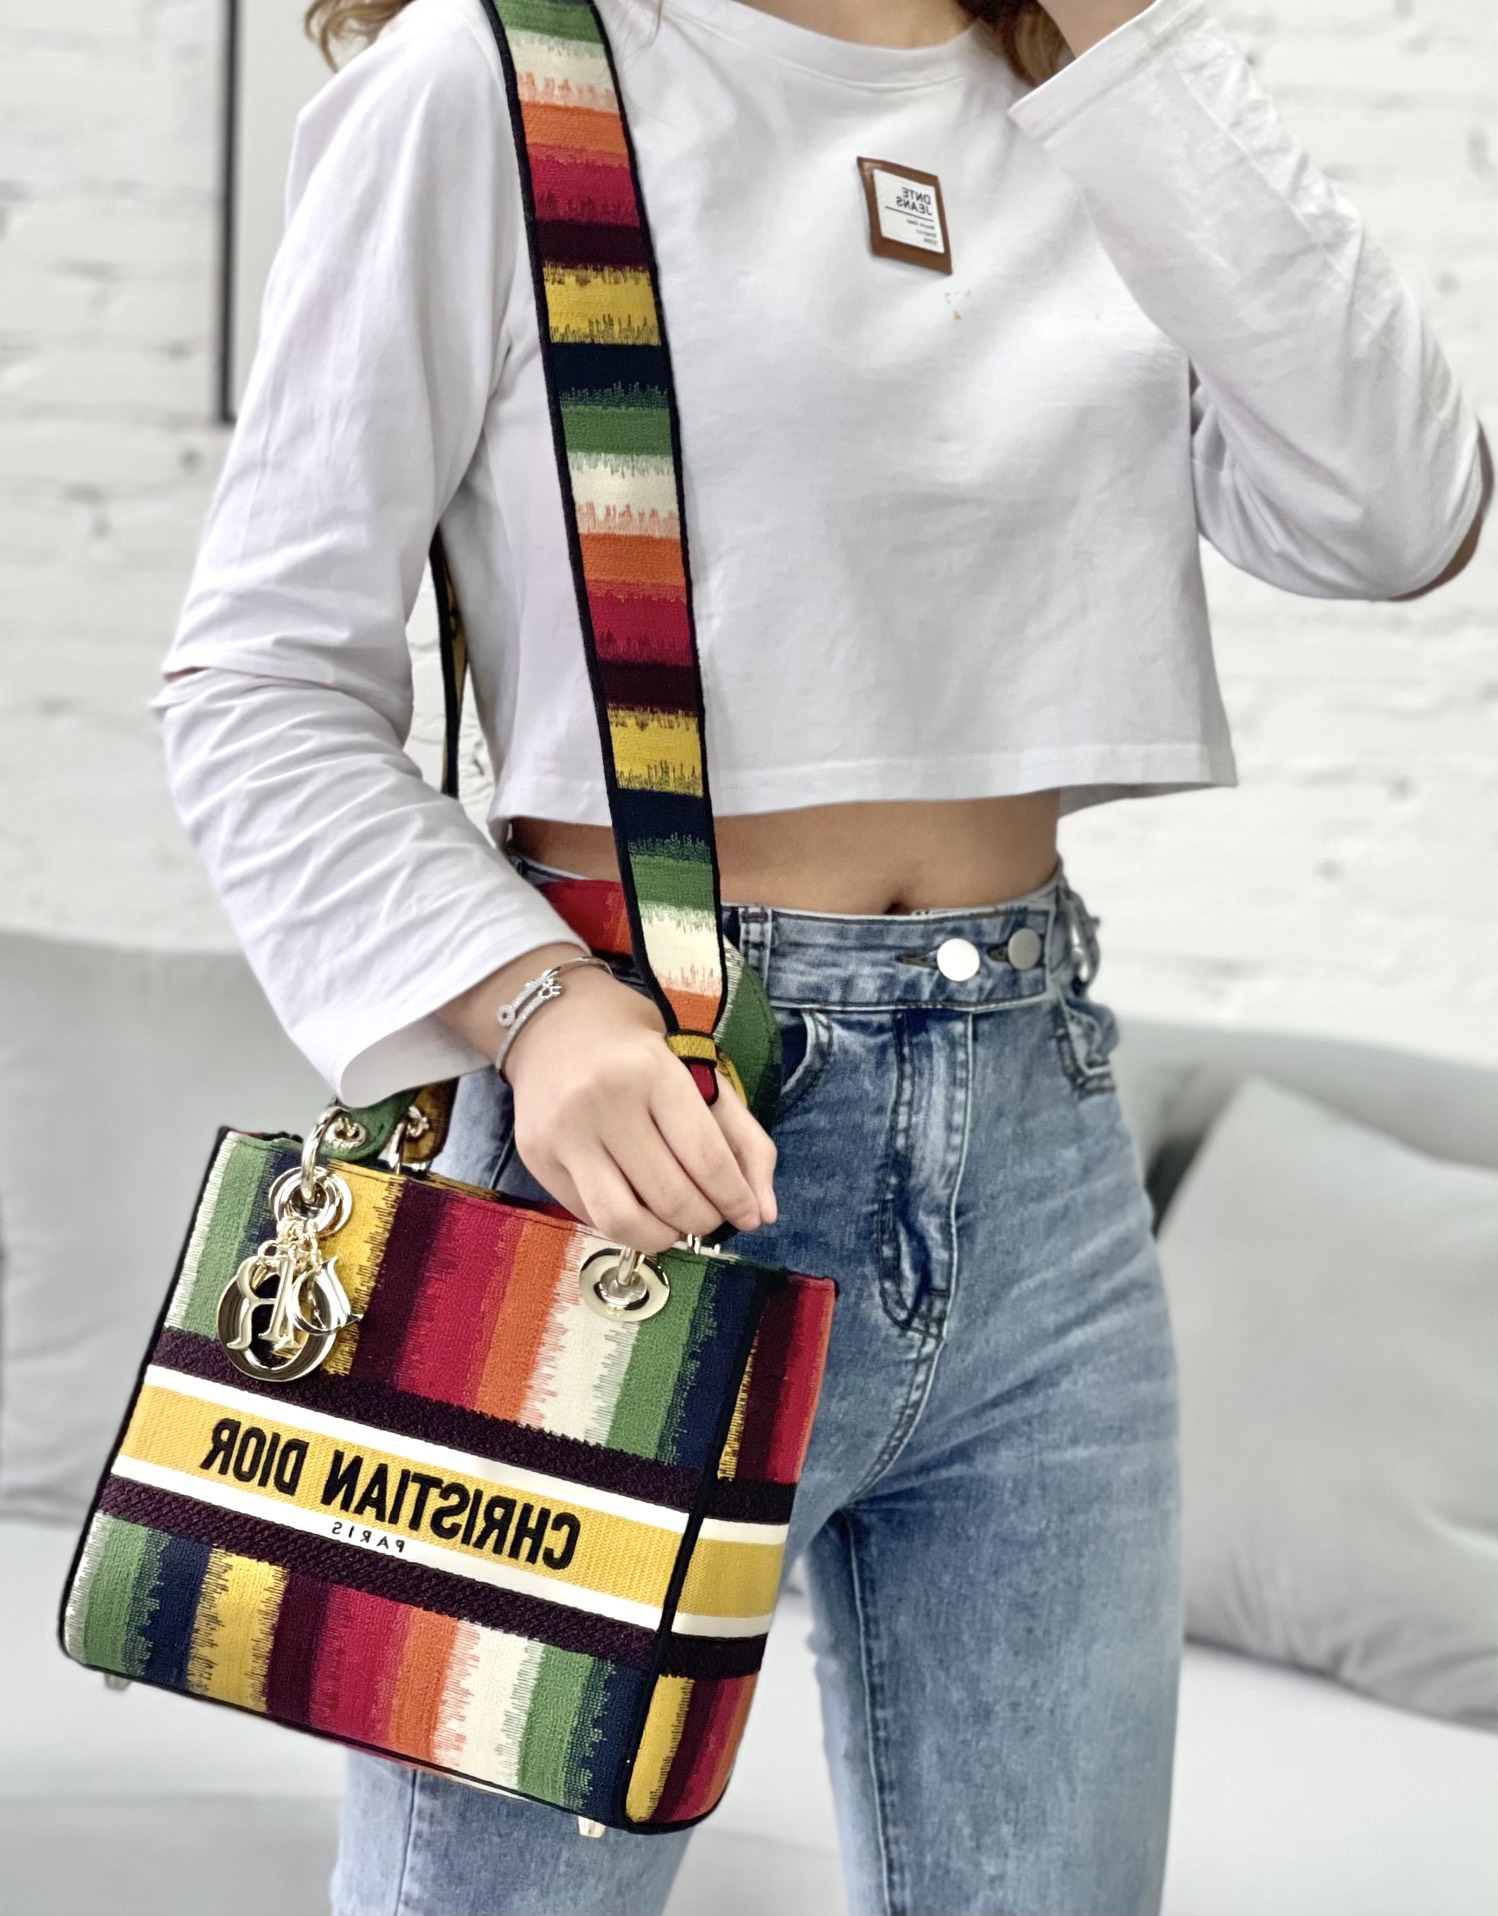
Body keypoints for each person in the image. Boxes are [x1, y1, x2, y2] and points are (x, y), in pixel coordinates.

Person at [158, 0, 1490, 1909]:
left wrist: (1131, 46)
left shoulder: (1099, 105)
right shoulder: (496, 79)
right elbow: (260, 682)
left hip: (1041, 1156)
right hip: (640, 1151)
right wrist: (537, 1008)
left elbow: (1397, 510)